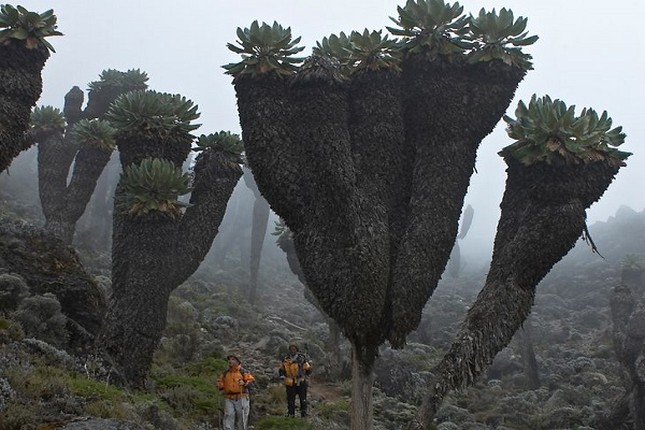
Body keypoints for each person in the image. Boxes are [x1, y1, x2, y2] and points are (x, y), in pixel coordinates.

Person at [217, 354, 255, 430]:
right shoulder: (225, 373)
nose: (230, 361)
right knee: (228, 416)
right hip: (229, 398)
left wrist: (244, 383)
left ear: (238, 361)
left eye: (233, 359)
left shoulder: (243, 372)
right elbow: (221, 382)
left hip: (242, 397)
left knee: (242, 418)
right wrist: (220, 385)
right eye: (229, 359)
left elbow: (251, 381)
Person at [279, 343, 312, 417]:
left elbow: (308, 370)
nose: (292, 351)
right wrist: (282, 376)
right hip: (290, 382)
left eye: (294, 349)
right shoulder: (285, 360)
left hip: (301, 381)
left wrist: (305, 374)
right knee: (290, 400)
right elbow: (281, 370)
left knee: (303, 399)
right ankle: (291, 415)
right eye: (291, 349)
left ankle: (303, 414)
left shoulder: (302, 359)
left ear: (297, 350)